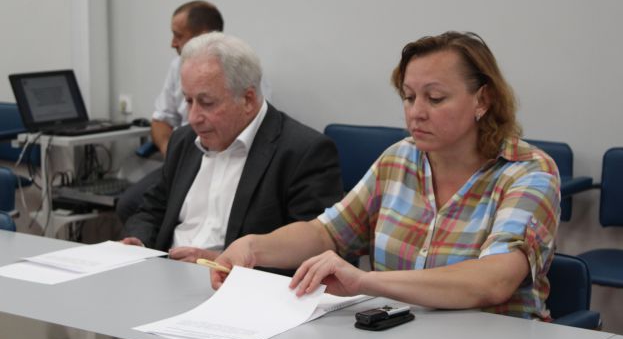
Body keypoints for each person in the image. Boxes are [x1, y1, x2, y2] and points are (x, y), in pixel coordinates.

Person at [211, 31, 561, 321]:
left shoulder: (528, 171)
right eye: (408, 97)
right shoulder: (399, 158)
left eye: (435, 98)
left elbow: (493, 280)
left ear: (482, 100)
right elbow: (326, 233)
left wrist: (365, 281)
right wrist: (253, 247)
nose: (416, 113)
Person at [121, 32, 344, 265]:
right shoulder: (183, 140)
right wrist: (138, 242)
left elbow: (313, 253)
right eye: (188, 101)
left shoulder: (303, 152)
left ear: (248, 100)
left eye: (207, 103)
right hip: (166, 271)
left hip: (238, 282)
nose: (193, 117)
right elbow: (152, 209)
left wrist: (223, 262)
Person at [116, 0, 224, 224]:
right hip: (183, 161)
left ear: (203, 35)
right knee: (131, 205)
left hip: (223, 162)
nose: (172, 43)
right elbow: (161, 120)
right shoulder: (179, 66)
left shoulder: (237, 68)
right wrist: (172, 152)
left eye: (178, 35)